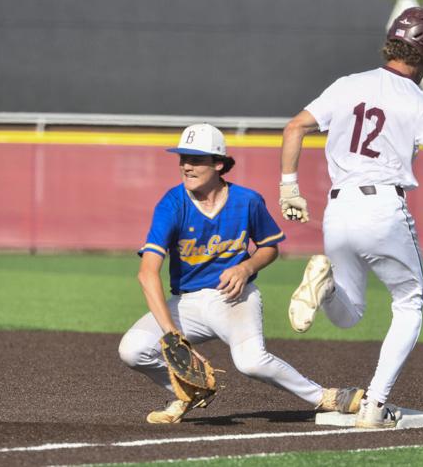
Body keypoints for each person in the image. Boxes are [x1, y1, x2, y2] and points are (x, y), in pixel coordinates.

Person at [278, 7, 423, 428]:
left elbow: (295, 127)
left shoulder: (348, 85)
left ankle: (323, 285)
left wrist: (288, 187)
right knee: (409, 303)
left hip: (337, 209)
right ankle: (375, 405)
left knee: (349, 312)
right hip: (382, 206)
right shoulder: (422, 103)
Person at [118, 123, 364, 424]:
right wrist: (173, 336)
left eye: (196, 159)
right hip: (187, 304)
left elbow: (270, 248)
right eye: (183, 158)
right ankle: (189, 392)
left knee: (251, 362)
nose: (186, 166)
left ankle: (326, 396)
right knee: (132, 350)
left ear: (218, 164)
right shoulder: (172, 204)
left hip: (234, 299)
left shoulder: (246, 200)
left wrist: (246, 267)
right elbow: (147, 274)